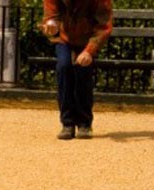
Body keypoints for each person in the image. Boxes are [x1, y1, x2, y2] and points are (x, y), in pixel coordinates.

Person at [41, 0, 113, 140]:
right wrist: (50, 26)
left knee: (83, 73)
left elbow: (104, 26)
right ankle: (67, 123)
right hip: (64, 38)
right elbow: (51, 16)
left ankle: (84, 123)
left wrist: (89, 51)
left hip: (88, 39)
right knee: (63, 67)